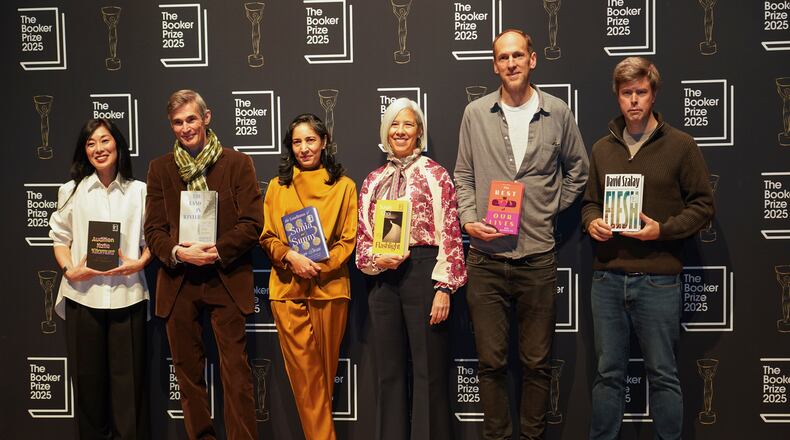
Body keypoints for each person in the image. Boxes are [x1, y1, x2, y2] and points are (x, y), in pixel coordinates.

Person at [454, 29, 589, 439]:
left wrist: (547, 207)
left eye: (517, 55)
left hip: (537, 258)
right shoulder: (475, 113)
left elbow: (579, 170)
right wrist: (468, 219)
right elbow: (463, 175)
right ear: (494, 65)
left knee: (537, 364)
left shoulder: (558, 112)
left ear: (532, 59)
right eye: (503, 57)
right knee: (491, 364)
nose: (511, 63)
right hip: (486, 260)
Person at [582, 57, 714, 440]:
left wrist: (663, 230)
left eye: (641, 92)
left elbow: (703, 206)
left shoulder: (681, 145)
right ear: (617, 96)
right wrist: (592, 222)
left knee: (663, 375)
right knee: (607, 375)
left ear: (653, 94)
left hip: (659, 280)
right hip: (607, 279)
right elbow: (589, 202)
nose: (634, 100)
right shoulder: (602, 149)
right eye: (627, 93)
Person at [144, 90, 262, 439]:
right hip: (179, 280)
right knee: (187, 376)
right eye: (178, 122)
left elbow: (252, 223)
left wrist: (217, 250)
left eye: (191, 119)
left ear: (206, 118)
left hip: (226, 277)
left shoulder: (238, 163)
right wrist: (179, 253)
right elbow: (154, 231)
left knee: (237, 375)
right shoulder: (160, 169)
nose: (185, 128)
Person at [357, 98, 467, 440]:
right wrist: (377, 261)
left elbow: (451, 232)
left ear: (419, 131)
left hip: (425, 272)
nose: (401, 131)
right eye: (394, 124)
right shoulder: (373, 180)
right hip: (383, 280)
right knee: (388, 375)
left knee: (429, 374)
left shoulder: (436, 175)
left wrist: (444, 287)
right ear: (385, 131)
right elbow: (363, 238)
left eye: (408, 124)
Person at [49, 118, 151, 439]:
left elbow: (152, 240)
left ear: (118, 144)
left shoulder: (140, 191)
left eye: (105, 140)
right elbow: (59, 239)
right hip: (82, 297)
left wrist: (140, 262)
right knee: (88, 394)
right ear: (84, 150)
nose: (98, 149)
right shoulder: (71, 191)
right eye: (91, 143)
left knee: (129, 396)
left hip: (127, 297)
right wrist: (70, 269)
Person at [259, 113, 357, 440]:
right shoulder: (277, 187)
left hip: (330, 290)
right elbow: (268, 237)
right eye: (297, 142)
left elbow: (348, 240)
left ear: (324, 142)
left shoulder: (345, 187)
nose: (304, 148)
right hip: (287, 292)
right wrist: (291, 258)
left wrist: (316, 266)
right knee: (307, 381)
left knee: (322, 381)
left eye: (311, 140)